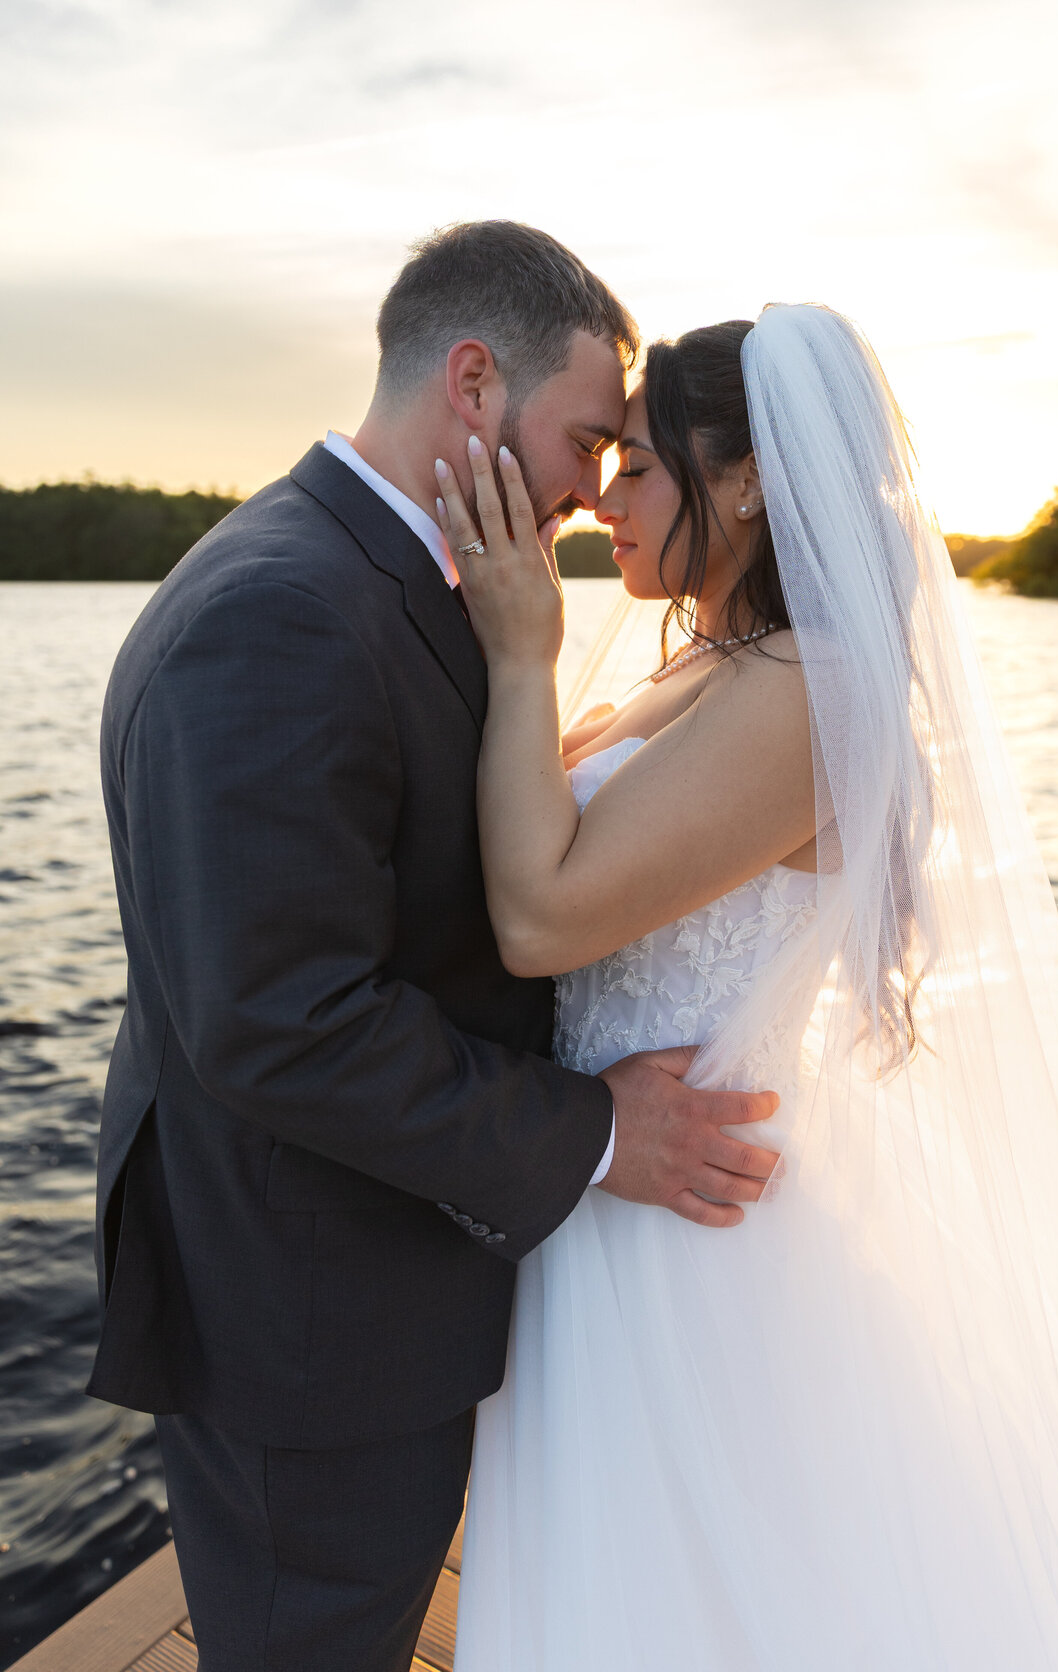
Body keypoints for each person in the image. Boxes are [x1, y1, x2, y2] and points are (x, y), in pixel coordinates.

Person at [441, 305, 1058, 1670]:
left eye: (641, 467)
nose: (605, 498)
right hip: (625, 1199)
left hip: (700, 1233)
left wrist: (518, 652)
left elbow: (545, 914)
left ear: (741, 481)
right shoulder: (710, 661)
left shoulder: (812, 687)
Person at [86, 222, 780, 1672]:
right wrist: (596, 1134)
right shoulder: (282, 611)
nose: (595, 494)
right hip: (310, 1326)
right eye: (590, 438)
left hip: (384, 1281)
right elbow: (283, 1019)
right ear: (474, 382)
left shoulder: (383, 580)